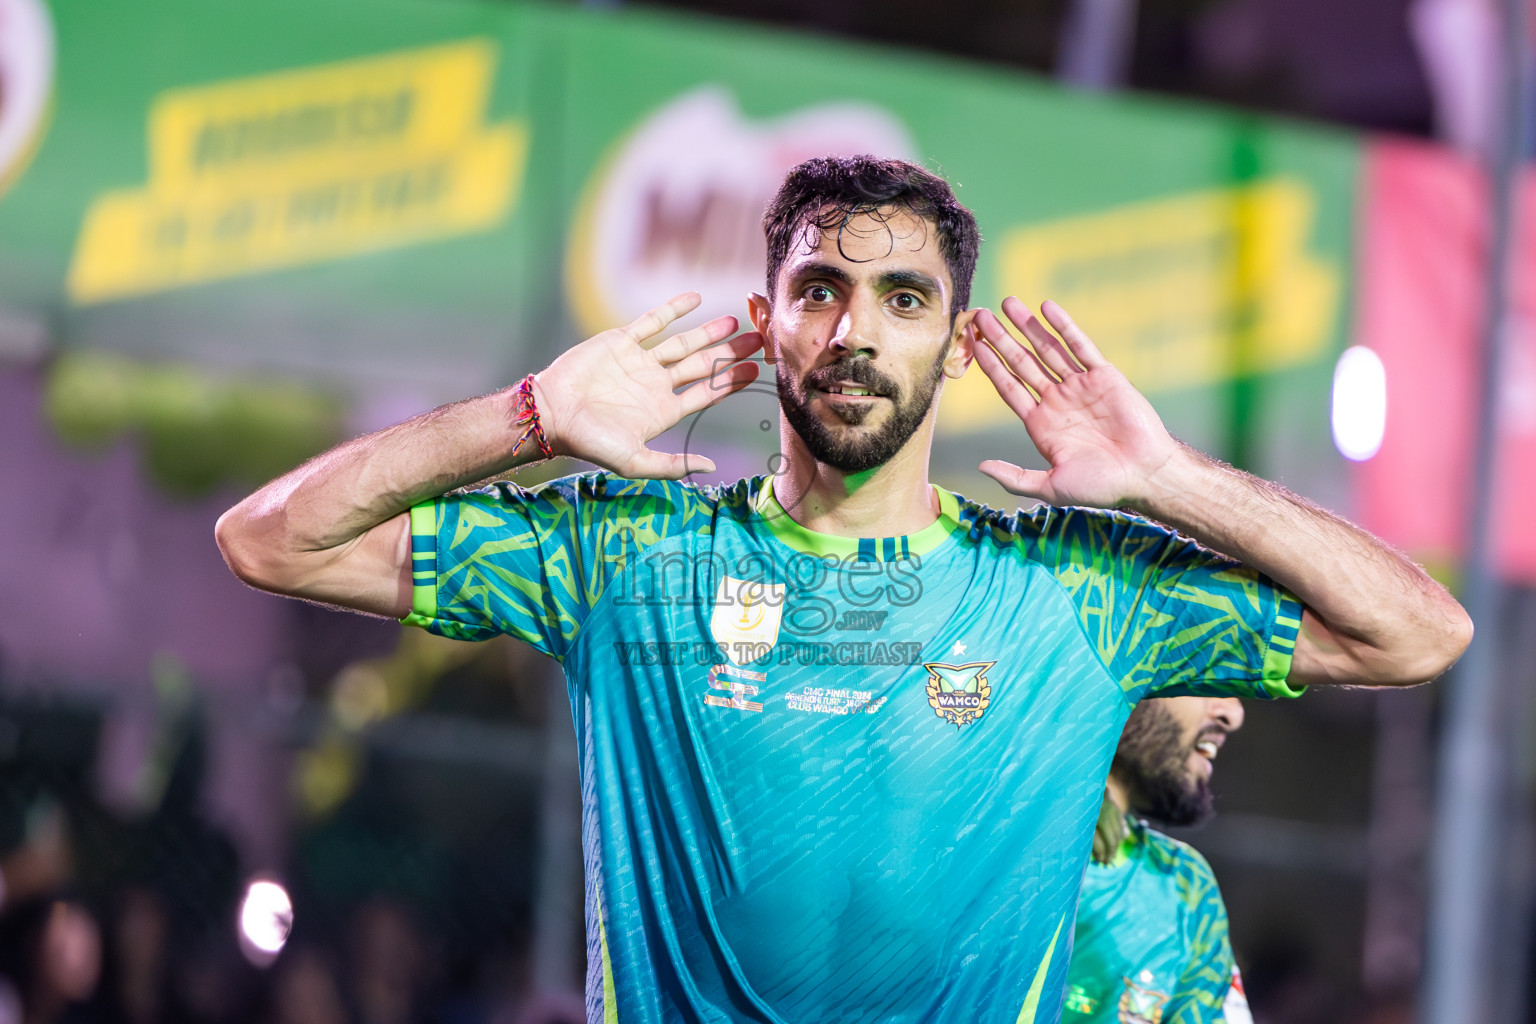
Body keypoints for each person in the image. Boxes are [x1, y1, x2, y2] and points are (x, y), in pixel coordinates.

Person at [215, 156, 1471, 1023]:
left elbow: (1418, 631)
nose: (855, 332)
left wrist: (1165, 476)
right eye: (822, 291)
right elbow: (274, 542)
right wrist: (526, 417)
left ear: (958, 341)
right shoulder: (630, 554)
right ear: (772, 326)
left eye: (903, 298)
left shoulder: (1078, 590)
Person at [1064, 696, 1252, 1024]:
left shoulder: (1186, 889)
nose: (1233, 714)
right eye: (1202, 678)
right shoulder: (990, 823)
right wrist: (1058, 801)